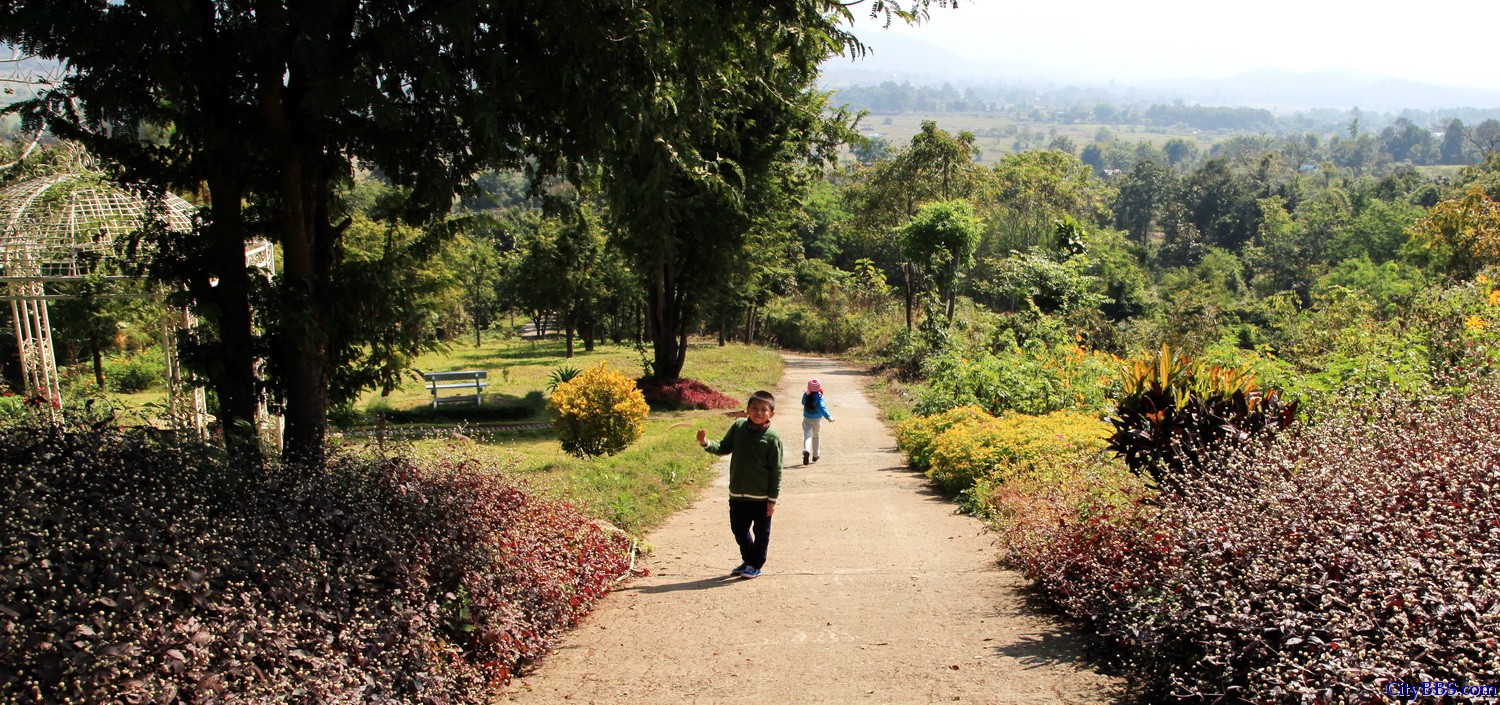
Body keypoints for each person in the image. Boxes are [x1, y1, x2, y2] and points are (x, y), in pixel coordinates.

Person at [697, 390, 782, 579]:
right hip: (737, 494)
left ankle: (756, 564)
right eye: (754, 408)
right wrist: (705, 443)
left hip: (761, 497)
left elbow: (776, 470)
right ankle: (749, 560)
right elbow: (723, 447)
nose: (758, 413)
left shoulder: (772, 437)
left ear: (771, 414)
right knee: (739, 529)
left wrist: (772, 499)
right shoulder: (738, 426)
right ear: (747, 410)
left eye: (763, 410)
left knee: (761, 533)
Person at [800, 378, 834, 466]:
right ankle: (815, 455)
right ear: (819, 387)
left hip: (807, 418)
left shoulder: (806, 395)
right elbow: (822, 408)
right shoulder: (820, 396)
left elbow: (803, 402)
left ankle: (806, 450)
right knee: (816, 436)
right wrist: (829, 417)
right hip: (817, 420)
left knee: (807, 435)